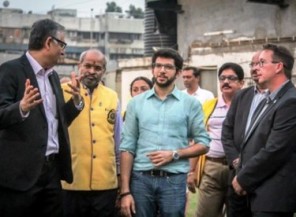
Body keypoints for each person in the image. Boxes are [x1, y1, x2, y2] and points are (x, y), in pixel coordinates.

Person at [0, 18, 83, 217]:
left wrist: (77, 102)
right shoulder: (10, 71)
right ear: (48, 43)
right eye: (62, 44)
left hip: (52, 171)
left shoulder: (53, 76)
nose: (63, 50)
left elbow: (56, 122)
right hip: (21, 176)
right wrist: (21, 107)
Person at [119, 48, 211, 217]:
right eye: (158, 66)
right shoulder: (136, 103)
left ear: (178, 72)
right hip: (141, 179)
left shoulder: (190, 104)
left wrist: (174, 154)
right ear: (152, 69)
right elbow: (127, 147)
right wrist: (125, 191)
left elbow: (203, 143)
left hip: (174, 181)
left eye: (168, 67)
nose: (162, 70)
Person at [230, 44, 296, 217]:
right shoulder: (268, 100)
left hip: (273, 197)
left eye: (262, 62)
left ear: (278, 67)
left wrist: (243, 179)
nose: (256, 68)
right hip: (253, 192)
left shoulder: (291, 102)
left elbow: (275, 150)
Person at [61, 49, 123, 217]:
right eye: (87, 66)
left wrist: (120, 180)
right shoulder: (62, 91)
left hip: (106, 185)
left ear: (104, 71)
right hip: (71, 183)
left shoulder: (112, 96)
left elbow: (118, 141)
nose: (92, 71)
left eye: (98, 68)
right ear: (79, 66)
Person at [188, 62, 244, 217]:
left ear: (241, 83)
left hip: (239, 169)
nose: (226, 82)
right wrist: (191, 171)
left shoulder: (248, 106)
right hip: (212, 166)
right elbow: (198, 138)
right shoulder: (209, 106)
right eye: (222, 78)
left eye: (231, 78)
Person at [221, 51, 268, 217]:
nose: (255, 68)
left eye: (260, 64)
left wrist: (250, 164)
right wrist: (235, 160)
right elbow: (226, 131)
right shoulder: (242, 95)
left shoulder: (282, 98)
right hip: (237, 176)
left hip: (266, 180)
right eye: (252, 65)